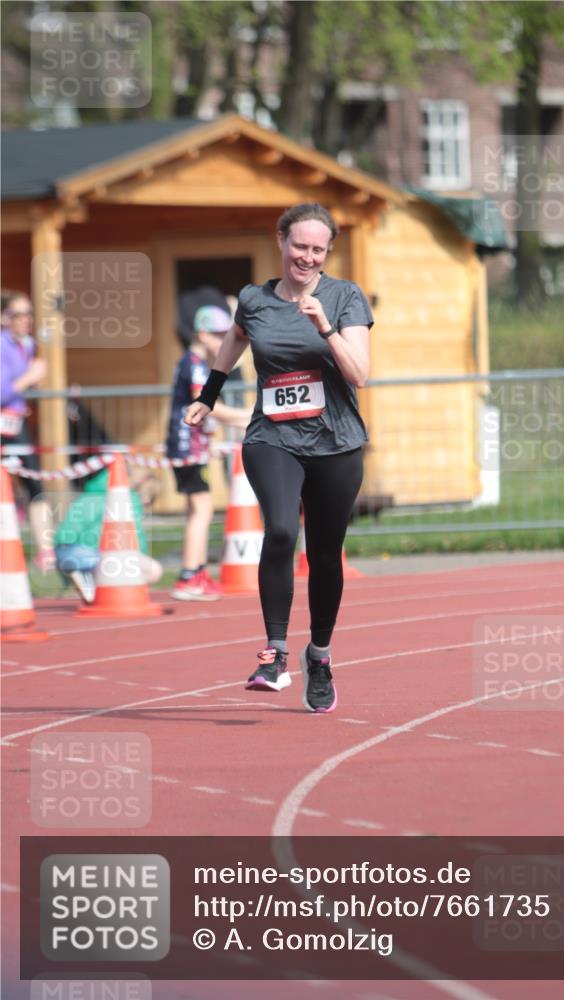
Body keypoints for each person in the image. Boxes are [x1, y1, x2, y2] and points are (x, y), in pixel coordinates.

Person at [185, 203, 372, 713]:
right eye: (299, 246)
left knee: (325, 552)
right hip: (273, 437)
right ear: (281, 242)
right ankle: (274, 653)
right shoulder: (254, 299)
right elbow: (235, 340)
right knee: (283, 531)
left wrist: (327, 328)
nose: (307, 257)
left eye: (317, 249)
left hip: (337, 442)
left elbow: (359, 375)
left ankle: (320, 655)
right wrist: (208, 395)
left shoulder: (345, 297)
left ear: (326, 252)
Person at [167, 305, 252, 601]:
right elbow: (204, 404)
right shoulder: (195, 365)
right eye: (219, 336)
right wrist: (248, 415)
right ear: (202, 335)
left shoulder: (195, 363)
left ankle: (196, 571)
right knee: (201, 509)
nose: (222, 342)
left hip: (193, 445)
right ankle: (190, 574)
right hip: (186, 446)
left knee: (198, 508)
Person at [0, 291, 55, 570]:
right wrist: (29, 378)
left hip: (17, 424)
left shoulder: (28, 345)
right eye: (18, 314)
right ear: (3, 318)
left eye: (29, 313)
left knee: (35, 486)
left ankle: (46, 552)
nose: (26, 320)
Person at [54, 466, 163, 604]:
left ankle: (89, 579)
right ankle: (104, 587)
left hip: (65, 551)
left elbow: (65, 532)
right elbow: (135, 539)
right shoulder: (129, 500)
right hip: (95, 553)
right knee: (153, 570)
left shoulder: (89, 495)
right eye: (148, 497)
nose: (146, 503)